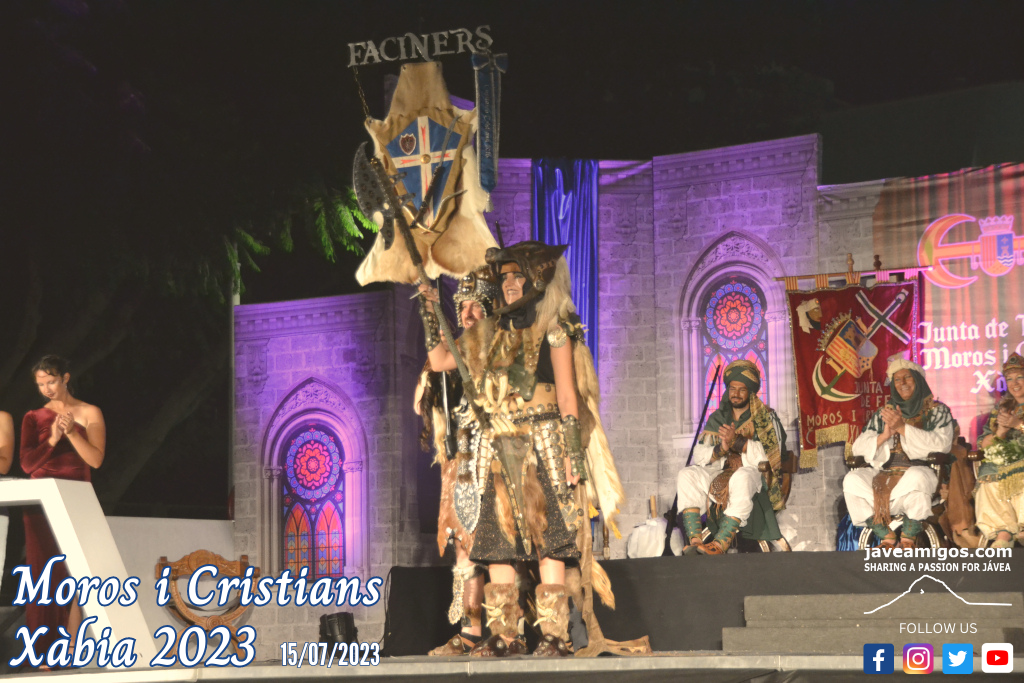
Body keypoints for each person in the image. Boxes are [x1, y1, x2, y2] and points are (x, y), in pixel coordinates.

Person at [420, 241, 625, 657]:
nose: (510, 283)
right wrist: (428, 309)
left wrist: (572, 455)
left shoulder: (556, 328)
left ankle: (554, 635)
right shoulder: (490, 332)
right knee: (498, 543)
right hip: (500, 444)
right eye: (505, 277)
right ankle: (505, 635)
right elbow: (441, 360)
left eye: (517, 275)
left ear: (537, 279)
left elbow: (567, 397)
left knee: (548, 539)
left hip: (544, 443)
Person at [413, 267, 498, 655]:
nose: (467, 314)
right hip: (463, 455)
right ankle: (470, 632)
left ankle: (507, 631)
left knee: (501, 544)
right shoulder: (460, 346)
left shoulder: (498, 344)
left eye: (475, 306)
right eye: (462, 306)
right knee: (464, 544)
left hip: (496, 453)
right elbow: (432, 373)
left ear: (489, 310)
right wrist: (430, 310)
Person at [20, 356, 105, 659]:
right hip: (42, 501)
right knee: (43, 572)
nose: (47, 388)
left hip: (77, 498)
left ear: (65, 378)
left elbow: (95, 460)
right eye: (41, 384)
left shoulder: (90, 412)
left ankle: (69, 644)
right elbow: (27, 464)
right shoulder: (33, 416)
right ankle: (41, 650)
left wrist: (71, 433)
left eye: (51, 381)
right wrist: (53, 438)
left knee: (77, 571)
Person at [675, 360, 787, 555]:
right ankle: (695, 541)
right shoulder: (717, 418)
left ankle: (719, 544)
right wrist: (721, 448)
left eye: (742, 389)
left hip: (755, 476)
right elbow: (699, 454)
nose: (736, 394)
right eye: (732, 388)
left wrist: (738, 442)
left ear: (751, 392)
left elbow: (772, 456)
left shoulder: (766, 418)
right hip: (720, 473)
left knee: (741, 477)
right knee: (687, 474)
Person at [843, 357, 953, 548]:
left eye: (907, 377)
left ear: (918, 380)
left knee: (917, 476)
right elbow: (858, 447)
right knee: (852, 480)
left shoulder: (937, 411)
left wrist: (903, 428)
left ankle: (908, 538)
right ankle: (886, 535)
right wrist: (883, 436)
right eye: (897, 379)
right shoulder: (884, 413)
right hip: (884, 476)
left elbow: (942, 444)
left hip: (918, 476)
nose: (902, 383)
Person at [974, 353, 1024, 548]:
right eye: (1009, 379)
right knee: (990, 476)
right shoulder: (1002, 406)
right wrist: (1001, 432)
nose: (1015, 384)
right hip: (1004, 459)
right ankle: (1003, 533)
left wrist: (1018, 425)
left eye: (1019, 377)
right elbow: (984, 444)